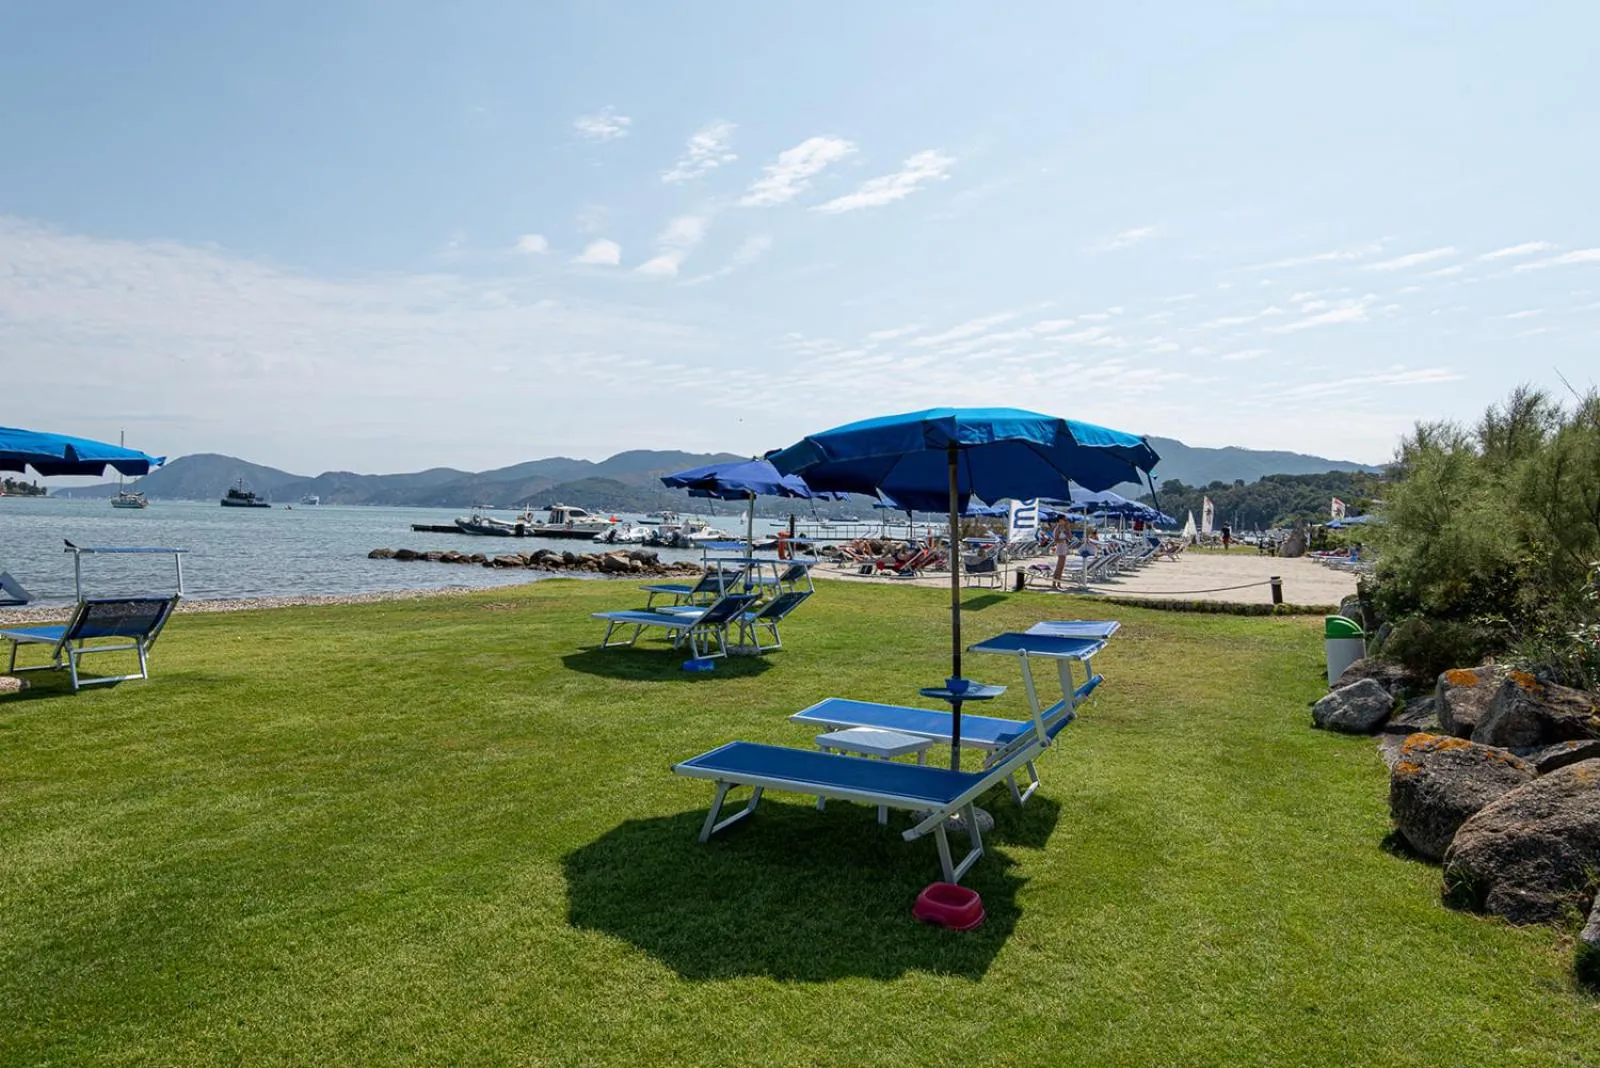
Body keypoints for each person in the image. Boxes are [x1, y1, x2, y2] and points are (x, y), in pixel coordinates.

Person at [1050, 515, 1072, 589]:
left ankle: (1058, 583)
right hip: (1060, 547)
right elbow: (1055, 540)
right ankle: (1054, 583)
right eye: (1064, 519)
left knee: (1061, 567)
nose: (1065, 521)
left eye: (1066, 520)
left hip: (1064, 547)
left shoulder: (1064, 528)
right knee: (1058, 567)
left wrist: (1068, 528)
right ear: (1060, 520)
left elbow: (1070, 537)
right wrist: (1063, 540)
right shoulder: (1057, 528)